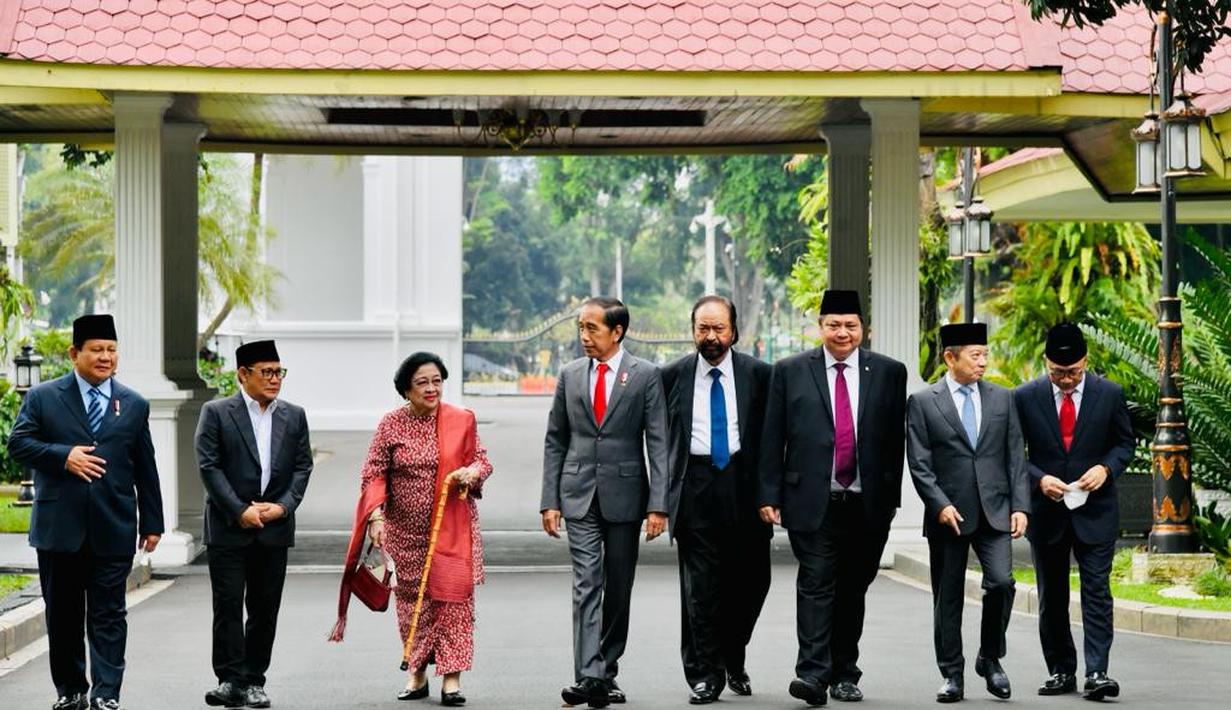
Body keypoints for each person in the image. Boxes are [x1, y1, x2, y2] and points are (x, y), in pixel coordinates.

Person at [758, 289, 907, 706]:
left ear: (864, 329)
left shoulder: (889, 373)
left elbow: (895, 439)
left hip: (867, 503)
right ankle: (812, 674)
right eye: (833, 325)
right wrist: (769, 493)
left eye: (850, 325)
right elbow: (773, 436)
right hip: (812, 499)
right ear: (819, 327)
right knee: (816, 583)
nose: (842, 332)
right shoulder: (789, 371)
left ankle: (845, 673)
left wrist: (890, 500)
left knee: (853, 588)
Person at [7, 314, 164, 710]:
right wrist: (64, 457)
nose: (105, 357)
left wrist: (153, 522)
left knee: (110, 614)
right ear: (75, 353)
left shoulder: (133, 404)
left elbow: (145, 466)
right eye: (97, 350)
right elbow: (19, 445)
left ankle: (106, 694)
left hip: (113, 525)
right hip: (59, 528)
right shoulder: (43, 397)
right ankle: (71, 691)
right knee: (63, 616)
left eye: (111, 350)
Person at [332, 352, 492, 707]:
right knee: (411, 604)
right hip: (404, 532)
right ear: (406, 389)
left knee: (453, 602)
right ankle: (416, 673)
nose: (432, 388)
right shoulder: (391, 424)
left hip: (452, 529)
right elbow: (373, 473)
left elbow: (481, 459)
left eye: (437, 381)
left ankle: (452, 679)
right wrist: (375, 518)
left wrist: (472, 473)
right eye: (423, 382)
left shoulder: (461, 420)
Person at [541, 297, 670, 709]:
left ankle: (606, 669)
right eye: (581, 327)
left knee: (618, 587)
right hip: (577, 495)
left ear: (617, 332)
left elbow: (659, 444)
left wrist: (658, 505)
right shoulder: (570, 374)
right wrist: (550, 500)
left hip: (627, 497)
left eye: (592, 328)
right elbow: (556, 439)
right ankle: (589, 675)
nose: (584, 336)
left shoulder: (646, 376)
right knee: (586, 584)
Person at [906, 322, 1029, 703]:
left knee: (1001, 583)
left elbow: (1015, 457)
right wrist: (939, 504)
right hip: (950, 514)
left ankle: (990, 658)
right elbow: (919, 462)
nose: (983, 362)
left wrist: (1021, 506)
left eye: (985, 355)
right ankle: (952, 674)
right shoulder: (924, 402)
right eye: (975, 355)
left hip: (995, 511)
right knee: (948, 597)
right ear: (949, 357)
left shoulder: (1002, 398)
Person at [660, 296, 772, 705]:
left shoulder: (761, 375)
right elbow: (658, 441)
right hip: (695, 486)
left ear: (734, 331)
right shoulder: (670, 376)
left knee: (754, 582)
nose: (710, 337)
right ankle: (705, 675)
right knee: (700, 590)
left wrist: (772, 493)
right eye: (703, 329)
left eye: (718, 329)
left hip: (746, 488)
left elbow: (774, 439)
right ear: (693, 331)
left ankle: (732, 655)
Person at [1015, 323, 1134, 701]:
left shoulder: (1109, 393)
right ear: (1045, 363)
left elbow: (1124, 444)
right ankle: (1060, 670)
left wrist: (1106, 469)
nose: (1066, 381)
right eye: (1057, 373)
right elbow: (1014, 453)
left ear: (1086, 362)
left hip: (1095, 510)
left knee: (1097, 591)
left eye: (1073, 372)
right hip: (1047, 511)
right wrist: (1038, 479)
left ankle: (1097, 671)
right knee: (1052, 594)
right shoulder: (1025, 396)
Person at [196, 340, 313, 709]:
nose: (275, 379)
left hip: (274, 527)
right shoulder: (216, 412)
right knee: (228, 605)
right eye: (267, 372)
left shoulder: (294, 415)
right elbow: (209, 466)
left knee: (264, 608)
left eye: (279, 372)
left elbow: (302, 467)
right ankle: (229, 679)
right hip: (229, 527)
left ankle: (254, 680)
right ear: (243, 374)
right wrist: (237, 510)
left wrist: (282, 507)